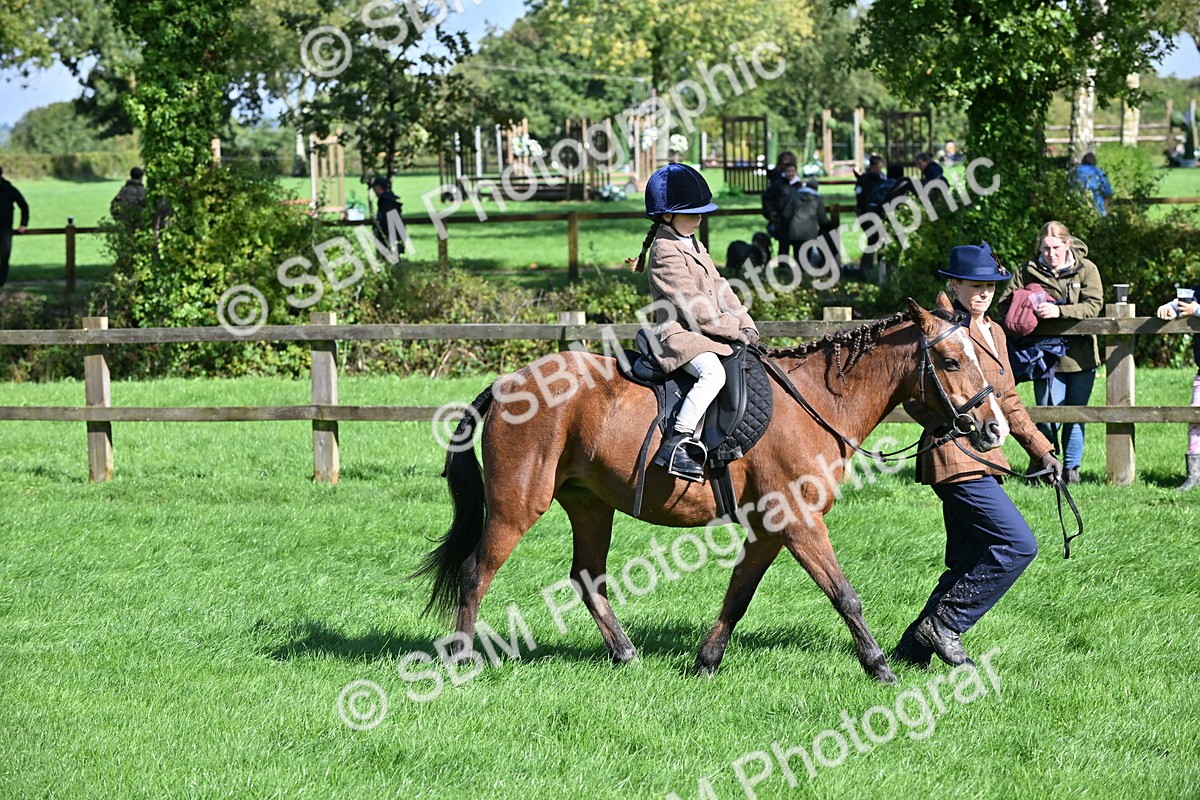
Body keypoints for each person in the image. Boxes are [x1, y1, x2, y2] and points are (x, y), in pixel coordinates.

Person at [894, 241, 1061, 669]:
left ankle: (911, 652)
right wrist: (945, 422)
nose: (984, 292)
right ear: (954, 284)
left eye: (990, 285)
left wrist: (1041, 450)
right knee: (1017, 544)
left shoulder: (997, 332)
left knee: (966, 561)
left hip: (989, 456)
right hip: (952, 458)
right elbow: (915, 392)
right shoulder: (942, 328)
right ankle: (946, 623)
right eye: (974, 285)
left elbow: (1007, 398)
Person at [629, 163, 759, 482]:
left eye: (701, 212)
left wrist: (745, 320)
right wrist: (733, 330)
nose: (699, 218)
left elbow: (721, 286)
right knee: (712, 373)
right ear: (666, 215)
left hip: (706, 332)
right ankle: (679, 441)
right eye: (691, 213)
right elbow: (694, 306)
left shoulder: (694, 243)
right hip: (678, 335)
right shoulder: (664, 250)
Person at [998, 221, 1103, 484]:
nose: (1050, 253)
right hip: (1042, 356)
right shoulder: (1028, 270)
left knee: (1076, 416)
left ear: (1067, 244)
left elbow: (1094, 306)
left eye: (1056, 247)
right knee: (1046, 415)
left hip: (1080, 356)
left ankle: (1072, 470)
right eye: (1045, 248)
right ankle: (1047, 468)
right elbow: (1004, 303)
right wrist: (1027, 304)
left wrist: (1060, 311)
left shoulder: (1086, 269)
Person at [1156, 285, 1200, 491]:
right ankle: (1194, 476)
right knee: (1195, 418)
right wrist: (1169, 308)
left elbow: (1193, 308)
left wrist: (1196, 311)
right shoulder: (1197, 289)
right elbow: (1181, 304)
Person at [780, 178, 829, 269]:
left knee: (797, 251)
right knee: (807, 253)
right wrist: (827, 224)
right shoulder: (817, 199)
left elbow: (786, 213)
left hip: (795, 230)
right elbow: (823, 217)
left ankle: (797, 271)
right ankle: (805, 271)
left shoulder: (795, 196)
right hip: (809, 232)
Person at [854, 155, 886, 274]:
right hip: (867, 214)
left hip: (875, 213)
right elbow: (861, 199)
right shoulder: (866, 180)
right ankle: (867, 270)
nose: (879, 170)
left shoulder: (880, 178)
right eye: (878, 167)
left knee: (876, 241)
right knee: (873, 240)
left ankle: (871, 270)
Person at [0, 166, 30, 288]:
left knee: (4, 256)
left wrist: (23, 224)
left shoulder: (9, 189)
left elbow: (24, 206)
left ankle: (1, 283)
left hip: (5, 228)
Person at [761, 152, 797, 246]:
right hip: (781, 220)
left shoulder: (798, 185)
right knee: (783, 248)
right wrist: (770, 212)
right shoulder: (777, 182)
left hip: (795, 221)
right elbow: (767, 197)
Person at [1071, 152, 1113, 216]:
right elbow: (1107, 191)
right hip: (1097, 207)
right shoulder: (1099, 172)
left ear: (1083, 161)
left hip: (1077, 206)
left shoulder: (1075, 171)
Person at [370, 176, 404, 253]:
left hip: (389, 233)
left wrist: (380, 229)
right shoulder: (390, 199)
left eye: (375, 188)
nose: (374, 191)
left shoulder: (385, 201)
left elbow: (386, 218)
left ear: (379, 187)